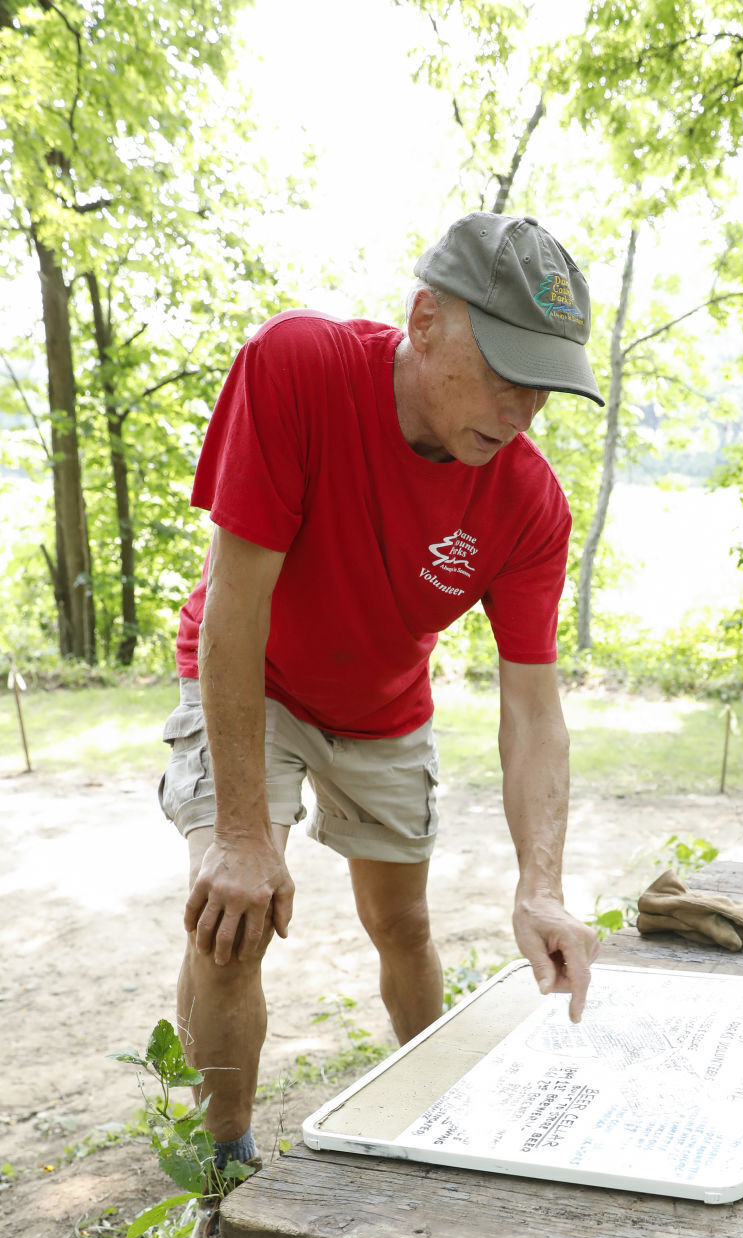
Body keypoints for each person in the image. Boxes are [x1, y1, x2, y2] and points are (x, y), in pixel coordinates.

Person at [158, 212, 603, 1181]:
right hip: (253, 675)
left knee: (401, 926)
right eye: (504, 370)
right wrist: (241, 833)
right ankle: (225, 1177)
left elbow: (532, 706)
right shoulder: (298, 365)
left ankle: (437, 1124)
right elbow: (237, 605)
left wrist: (540, 887)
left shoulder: (528, 501)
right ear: (426, 318)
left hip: (383, 703)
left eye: (543, 383)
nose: (524, 405)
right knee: (231, 914)